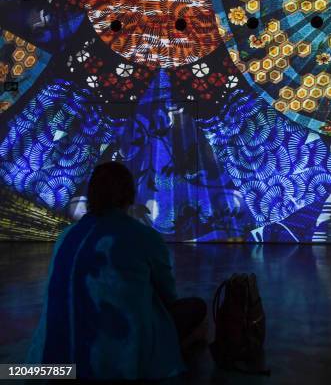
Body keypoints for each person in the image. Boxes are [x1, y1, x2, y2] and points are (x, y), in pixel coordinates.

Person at [27, 162, 207, 380]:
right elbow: (168, 296)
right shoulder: (144, 237)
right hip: (116, 364)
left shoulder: (66, 236)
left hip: (44, 368)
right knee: (197, 311)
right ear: (129, 195)